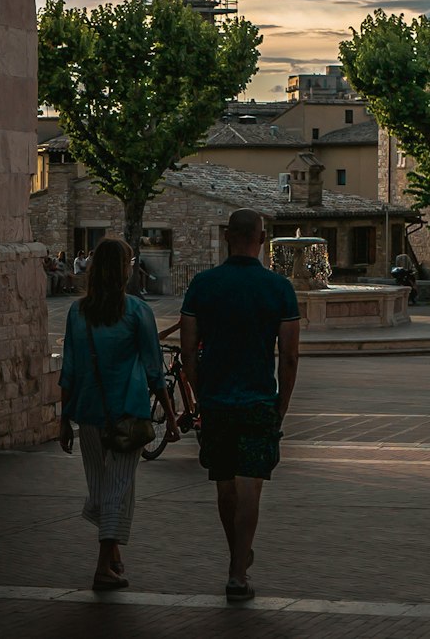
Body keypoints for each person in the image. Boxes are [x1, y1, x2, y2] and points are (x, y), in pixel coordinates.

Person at [180, 208, 301, 604]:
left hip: (216, 397)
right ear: (261, 240)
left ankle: (237, 558)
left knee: (225, 484)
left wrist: (200, 390)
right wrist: (281, 403)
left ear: (228, 236)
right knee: (251, 484)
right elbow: (289, 356)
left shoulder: (202, 285)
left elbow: (187, 349)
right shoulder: (279, 288)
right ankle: (237, 571)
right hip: (257, 396)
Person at [58, 237, 179, 591]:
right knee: (119, 488)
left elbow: (70, 371)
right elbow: (155, 371)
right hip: (128, 411)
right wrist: (170, 417)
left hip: (89, 412)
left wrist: (64, 419)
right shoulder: (137, 312)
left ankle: (112, 557)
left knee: (100, 486)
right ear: (124, 269)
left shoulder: (77, 313)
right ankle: (102, 565)